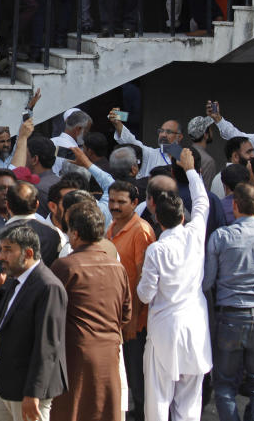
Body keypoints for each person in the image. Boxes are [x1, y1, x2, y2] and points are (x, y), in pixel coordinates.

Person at [137, 149, 212, 421]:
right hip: (195, 326)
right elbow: (202, 201)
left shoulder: (156, 250)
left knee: (158, 400)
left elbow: (145, 296)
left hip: (164, 330)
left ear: (156, 217)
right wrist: (191, 171)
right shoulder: (195, 233)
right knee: (190, 402)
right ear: (183, 216)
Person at [202, 181, 254, 421]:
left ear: (234, 205)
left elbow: (207, 282)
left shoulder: (221, 237)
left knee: (225, 385)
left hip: (230, 315)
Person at [50, 201, 131, 421]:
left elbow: (49, 316)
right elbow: (125, 314)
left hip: (75, 353)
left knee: (71, 411)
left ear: (75, 234)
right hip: (109, 351)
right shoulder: (117, 267)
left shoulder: (65, 266)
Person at [0, 225, 68, 421]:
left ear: (28, 253)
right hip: (4, 382)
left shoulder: (48, 287)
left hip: (27, 388)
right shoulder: (16, 279)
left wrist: (33, 393)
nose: (1, 256)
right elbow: (10, 317)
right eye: (1, 249)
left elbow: (48, 345)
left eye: (8, 249)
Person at [106, 180, 155, 421]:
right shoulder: (111, 227)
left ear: (135, 203)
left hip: (135, 320)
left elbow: (142, 279)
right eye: (112, 201)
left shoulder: (141, 231)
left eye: (121, 202)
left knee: (137, 375)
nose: (114, 206)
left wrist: (133, 319)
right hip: (115, 316)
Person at [110, 110, 183, 175]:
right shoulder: (150, 154)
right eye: (161, 131)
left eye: (168, 132)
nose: (163, 135)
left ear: (179, 137)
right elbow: (131, 142)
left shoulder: (187, 158)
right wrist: (118, 124)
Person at [185, 115, 217, 188]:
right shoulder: (208, 161)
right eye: (210, 129)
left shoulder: (183, 154)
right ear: (206, 135)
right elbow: (206, 192)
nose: (212, 132)